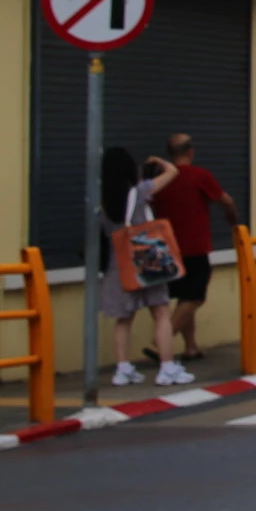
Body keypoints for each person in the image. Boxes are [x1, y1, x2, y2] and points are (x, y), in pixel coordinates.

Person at [102, 147, 189, 388]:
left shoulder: (102, 200)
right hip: (146, 255)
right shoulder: (139, 192)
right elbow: (172, 172)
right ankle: (167, 367)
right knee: (161, 312)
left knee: (124, 318)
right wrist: (158, 161)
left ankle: (123, 369)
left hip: (118, 262)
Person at [152, 132, 238, 367]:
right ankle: (161, 340)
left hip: (166, 248)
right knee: (195, 296)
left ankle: (191, 347)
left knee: (183, 298)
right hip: (194, 246)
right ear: (190, 152)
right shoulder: (200, 176)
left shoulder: (160, 180)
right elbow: (226, 201)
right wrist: (233, 220)